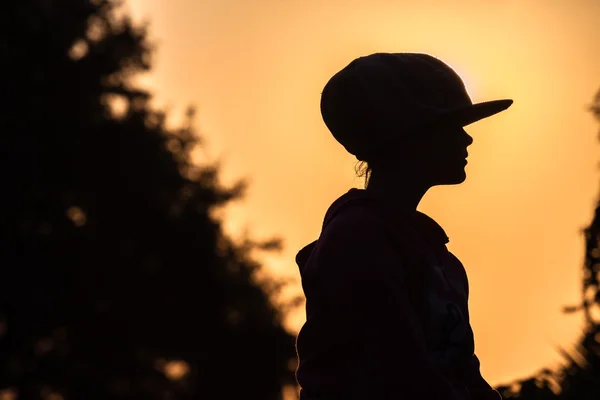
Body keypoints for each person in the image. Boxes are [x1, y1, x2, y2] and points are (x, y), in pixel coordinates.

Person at [294, 53, 512, 399]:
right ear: (411, 137)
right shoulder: (357, 241)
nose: (467, 139)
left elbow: (459, 369)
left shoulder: (433, 252)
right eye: (453, 126)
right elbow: (401, 374)